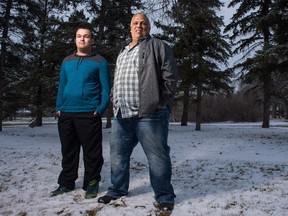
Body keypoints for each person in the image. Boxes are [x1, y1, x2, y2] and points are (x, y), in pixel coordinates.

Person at [97, 13, 177, 211]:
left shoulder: (158, 45)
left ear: (148, 27)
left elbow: (170, 76)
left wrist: (161, 101)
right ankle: (117, 190)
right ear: (130, 26)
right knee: (118, 155)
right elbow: (119, 79)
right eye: (135, 23)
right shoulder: (123, 50)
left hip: (150, 114)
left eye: (143, 23)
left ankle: (164, 196)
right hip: (122, 114)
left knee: (157, 157)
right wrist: (114, 98)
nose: (139, 25)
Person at [51, 25, 111, 199]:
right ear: (75, 39)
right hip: (66, 113)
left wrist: (99, 109)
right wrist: (58, 107)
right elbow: (62, 86)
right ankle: (66, 182)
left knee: (92, 152)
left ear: (92, 40)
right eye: (79, 36)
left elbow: (106, 89)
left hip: (88, 113)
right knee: (68, 151)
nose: (82, 39)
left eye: (86, 36)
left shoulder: (100, 61)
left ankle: (92, 182)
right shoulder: (67, 61)